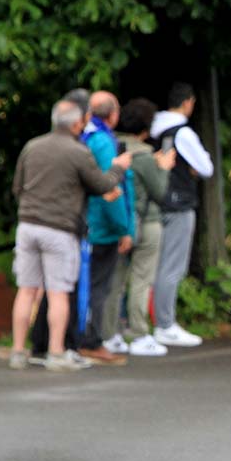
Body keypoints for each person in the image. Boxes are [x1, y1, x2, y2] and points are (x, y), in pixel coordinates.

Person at [8, 100, 130, 371]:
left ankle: (17, 352)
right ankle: (55, 352)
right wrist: (118, 167)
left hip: (27, 225)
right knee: (59, 292)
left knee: (26, 290)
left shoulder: (32, 146)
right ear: (76, 124)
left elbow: (17, 186)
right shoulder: (78, 152)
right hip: (59, 229)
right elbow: (101, 184)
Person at [103, 98, 175, 357]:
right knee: (141, 280)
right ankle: (138, 332)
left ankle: (108, 332)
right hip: (148, 222)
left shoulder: (113, 147)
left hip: (120, 219)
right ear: (146, 127)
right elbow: (160, 191)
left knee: (115, 280)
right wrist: (164, 168)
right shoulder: (144, 154)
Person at [150, 82, 213, 347]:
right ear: (188, 102)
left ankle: (146, 320)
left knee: (151, 266)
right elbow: (206, 167)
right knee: (171, 266)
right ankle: (165, 324)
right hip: (179, 205)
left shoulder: (153, 128)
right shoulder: (183, 132)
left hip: (155, 203)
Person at [77, 91, 132, 365]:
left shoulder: (83, 138)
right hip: (102, 226)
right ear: (112, 115)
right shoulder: (104, 143)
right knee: (99, 287)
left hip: (85, 221)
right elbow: (112, 190)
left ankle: (80, 337)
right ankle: (92, 340)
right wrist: (124, 228)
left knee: (84, 284)